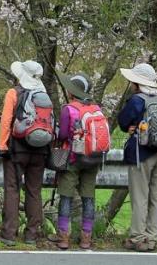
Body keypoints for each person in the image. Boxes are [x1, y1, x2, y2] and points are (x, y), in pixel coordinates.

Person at [117, 62, 157, 252]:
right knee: (156, 196)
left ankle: (137, 237)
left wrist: (131, 126)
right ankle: (151, 238)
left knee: (140, 196)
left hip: (142, 154)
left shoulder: (137, 100)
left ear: (137, 82)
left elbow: (123, 121)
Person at [0, 60, 49, 247]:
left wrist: (3, 145)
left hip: (17, 149)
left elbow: (6, 121)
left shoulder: (14, 93)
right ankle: (31, 235)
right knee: (34, 191)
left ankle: (9, 234)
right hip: (40, 150)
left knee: (12, 189)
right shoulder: (43, 94)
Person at [55, 73, 102, 251]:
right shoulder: (96, 108)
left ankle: (63, 237)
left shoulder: (69, 109)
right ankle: (86, 239)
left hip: (73, 157)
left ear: (72, 91)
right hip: (93, 158)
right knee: (88, 197)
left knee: (66, 196)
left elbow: (63, 135)